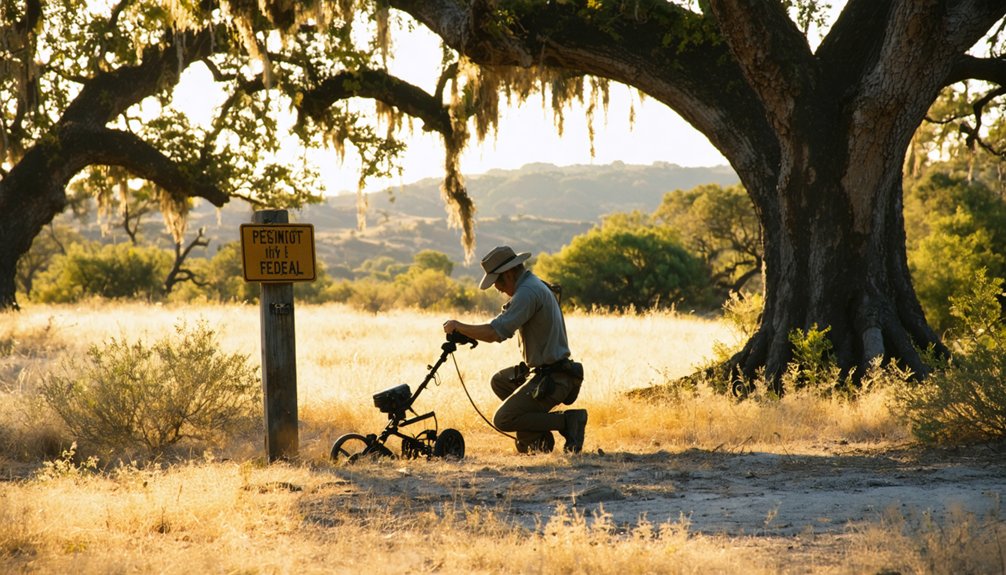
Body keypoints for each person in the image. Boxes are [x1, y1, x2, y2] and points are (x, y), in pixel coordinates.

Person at [443, 245, 587, 454]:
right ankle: (535, 435)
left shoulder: (527, 293)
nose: (497, 289)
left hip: (554, 378)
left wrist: (458, 326)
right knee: (500, 381)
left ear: (508, 274)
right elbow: (497, 327)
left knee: (503, 419)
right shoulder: (531, 285)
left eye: (496, 283)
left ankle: (568, 421)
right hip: (546, 372)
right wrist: (466, 333)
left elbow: (495, 333)